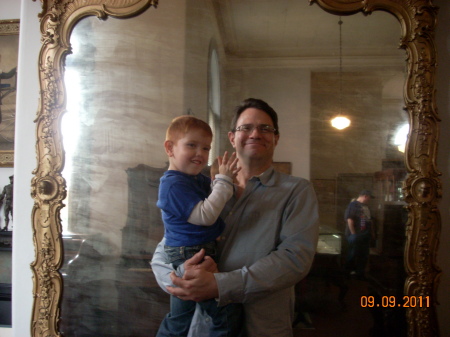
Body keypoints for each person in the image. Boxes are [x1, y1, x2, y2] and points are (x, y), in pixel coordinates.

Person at [151, 98, 320, 337]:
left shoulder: (297, 191)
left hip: (260, 325)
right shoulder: (207, 188)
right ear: (232, 137)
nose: (255, 134)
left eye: (265, 128)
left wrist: (220, 285)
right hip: (199, 327)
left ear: (276, 138)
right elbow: (168, 245)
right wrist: (180, 278)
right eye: (246, 128)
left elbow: (294, 259)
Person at [155, 115, 243, 337]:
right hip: (190, 253)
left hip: (194, 250)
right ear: (170, 148)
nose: (200, 154)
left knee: (180, 317)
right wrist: (223, 182)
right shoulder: (172, 184)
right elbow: (205, 215)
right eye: (191, 145)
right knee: (226, 314)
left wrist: (223, 180)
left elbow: (217, 195)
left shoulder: (193, 179)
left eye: (206, 148)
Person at [344, 190, 375, 279]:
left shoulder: (366, 207)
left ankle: (359, 273)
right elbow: (350, 220)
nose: (369, 200)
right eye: (369, 197)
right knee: (352, 254)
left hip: (365, 234)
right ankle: (347, 273)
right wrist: (354, 234)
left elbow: (370, 220)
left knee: (364, 255)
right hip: (357, 234)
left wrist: (372, 232)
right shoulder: (353, 205)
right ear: (365, 196)